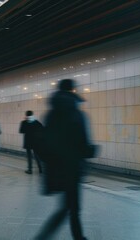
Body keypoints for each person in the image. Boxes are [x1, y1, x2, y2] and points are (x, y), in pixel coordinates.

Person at [34, 79, 90, 240]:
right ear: (72, 90)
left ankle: (77, 237)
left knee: (68, 207)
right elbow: (83, 143)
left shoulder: (50, 114)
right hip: (72, 166)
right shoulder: (77, 114)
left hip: (55, 166)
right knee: (71, 208)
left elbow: (47, 140)